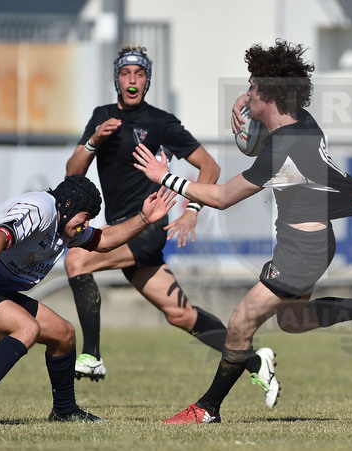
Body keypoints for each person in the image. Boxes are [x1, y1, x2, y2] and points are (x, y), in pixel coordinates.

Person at [132, 39, 352, 424]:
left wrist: (166, 177)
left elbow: (223, 197)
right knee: (294, 321)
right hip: (311, 240)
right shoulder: (303, 121)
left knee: (241, 322)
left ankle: (207, 409)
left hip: (301, 250)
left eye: (254, 86)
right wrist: (243, 100)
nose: (248, 90)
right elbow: (267, 117)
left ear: (270, 95)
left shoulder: (283, 149)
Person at [64, 45, 280, 407]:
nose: (132, 80)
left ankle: (92, 355)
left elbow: (209, 167)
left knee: (77, 260)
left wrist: (192, 210)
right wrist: (93, 140)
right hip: (122, 231)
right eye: (125, 73)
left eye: (140, 74)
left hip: (147, 230)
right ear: (116, 78)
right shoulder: (101, 118)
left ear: (147, 80)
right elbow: (72, 173)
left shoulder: (160, 122)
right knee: (181, 314)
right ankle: (256, 360)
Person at [0, 175, 175, 425]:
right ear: (69, 205)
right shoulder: (41, 209)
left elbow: (104, 241)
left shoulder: (65, 226)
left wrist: (144, 219)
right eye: (86, 217)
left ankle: (65, 411)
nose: (86, 225)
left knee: (64, 334)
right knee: (27, 328)